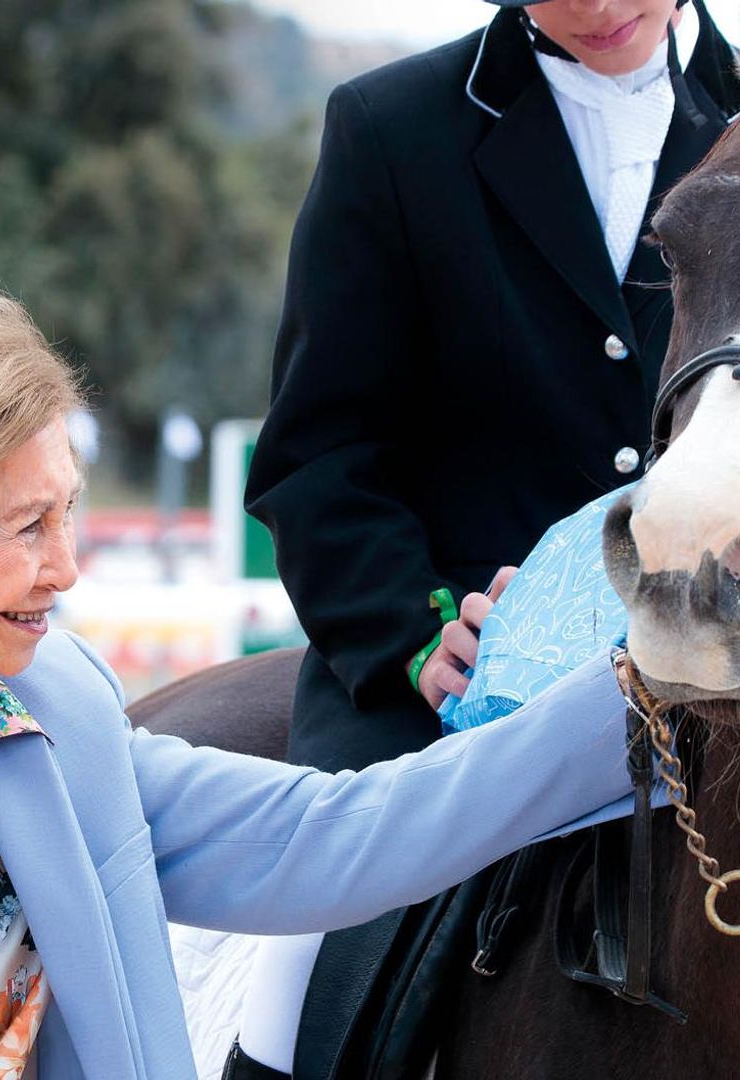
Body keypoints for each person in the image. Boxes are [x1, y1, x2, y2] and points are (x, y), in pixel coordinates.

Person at [0, 261, 638, 1079]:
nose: (68, 566)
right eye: (25, 526)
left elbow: (339, 838)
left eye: (70, 512)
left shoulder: (56, 717)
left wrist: (642, 682)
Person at [237, 0, 740, 1075]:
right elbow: (316, 459)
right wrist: (417, 634)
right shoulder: (391, 127)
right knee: (300, 990)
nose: (602, 7)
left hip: (714, 646)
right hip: (457, 664)